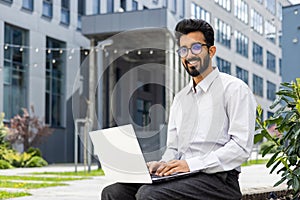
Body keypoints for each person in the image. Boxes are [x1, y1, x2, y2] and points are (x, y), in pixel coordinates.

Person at [101, 18, 257, 200]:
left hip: (219, 179)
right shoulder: (181, 98)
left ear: (211, 50)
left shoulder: (234, 89)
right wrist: (161, 164)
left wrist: (191, 165)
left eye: (196, 48)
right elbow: (174, 148)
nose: (189, 55)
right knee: (113, 192)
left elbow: (240, 148)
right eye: (183, 50)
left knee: (149, 195)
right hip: (183, 176)